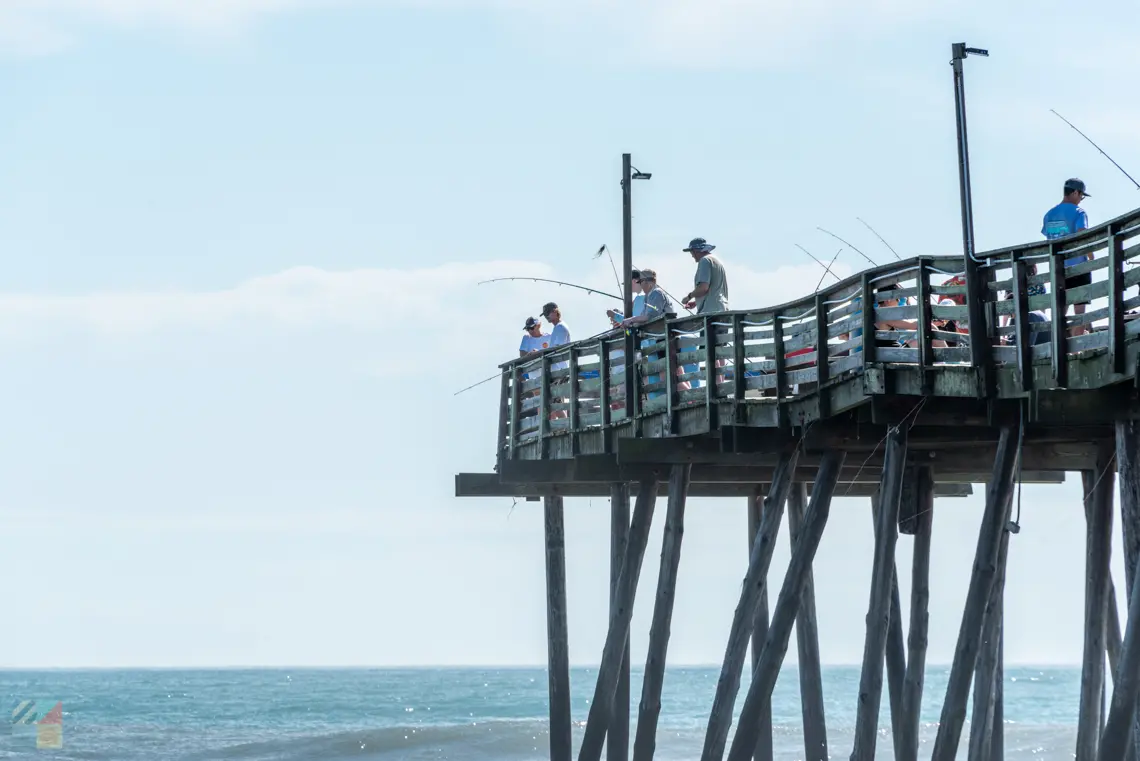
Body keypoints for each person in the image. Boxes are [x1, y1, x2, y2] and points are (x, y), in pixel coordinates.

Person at [1042, 178, 1093, 335]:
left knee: (1060, 311)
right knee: (1080, 313)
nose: (1081, 199)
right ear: (1075, 192)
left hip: (1058, 269)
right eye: (1081, 196)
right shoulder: (1079, 212)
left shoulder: (1049, 215)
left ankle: (1058, 344)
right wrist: (1091, 257)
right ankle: (1078, 345)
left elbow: (1048, 238)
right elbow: (1082, 235)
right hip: (1078, 267)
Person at [681, 238, 729, 313]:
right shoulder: (716, 260)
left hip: (710, 312)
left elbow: (703, 288)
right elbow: (715, 290)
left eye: (691, 252)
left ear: (696, 250)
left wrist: (689, 297)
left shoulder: (704, 260)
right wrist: (696, 302)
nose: (692, 255)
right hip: (722, 309)